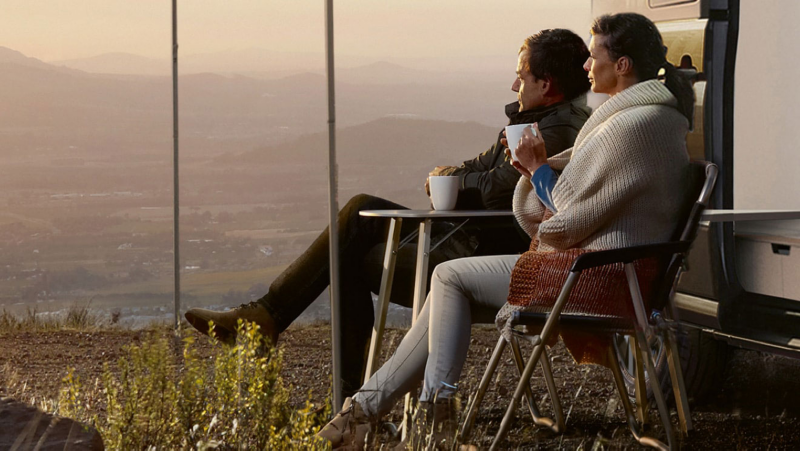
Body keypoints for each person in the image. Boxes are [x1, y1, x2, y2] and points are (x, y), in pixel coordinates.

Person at [318, 13, 693, 450]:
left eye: (594, 57)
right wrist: (535, 172)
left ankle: (422, 423)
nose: (587, 67)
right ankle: (370, 415)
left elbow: (569, 215)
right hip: (611, 270)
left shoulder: (633, 126)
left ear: (623, 65)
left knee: (448, 277)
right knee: (448, 287)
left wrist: (536, 169)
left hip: (596, 277)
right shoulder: (650, 119)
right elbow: (582, 201)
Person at [184, 28, 592, 398]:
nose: (514, 84)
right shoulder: (533, 121)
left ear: (546, 83)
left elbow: (490, 192)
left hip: (480, 253)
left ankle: (275, 327)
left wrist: (456, 182)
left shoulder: (552, 132)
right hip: (466, 238)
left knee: (359, 216)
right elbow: (476, 171)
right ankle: (323, 373)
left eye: (521, 76)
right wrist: (461, 178)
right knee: (353, 240)